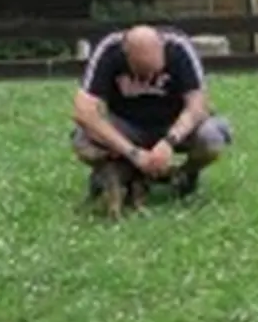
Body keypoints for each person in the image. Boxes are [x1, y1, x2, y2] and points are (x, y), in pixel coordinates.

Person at [71, 24, 230, 214]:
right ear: (125, 54)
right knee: (83, 141)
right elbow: (84, 111)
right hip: (127, 125)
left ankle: (183, 175)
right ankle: (115, 174)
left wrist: (169, 142)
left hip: (171, 122)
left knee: (211, 138)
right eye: (140, 72)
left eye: (154, 71)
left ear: (163, 51)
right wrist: (132, 152)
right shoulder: (109, 50)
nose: (148, 79)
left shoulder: (179, 48)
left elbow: (198, 106)